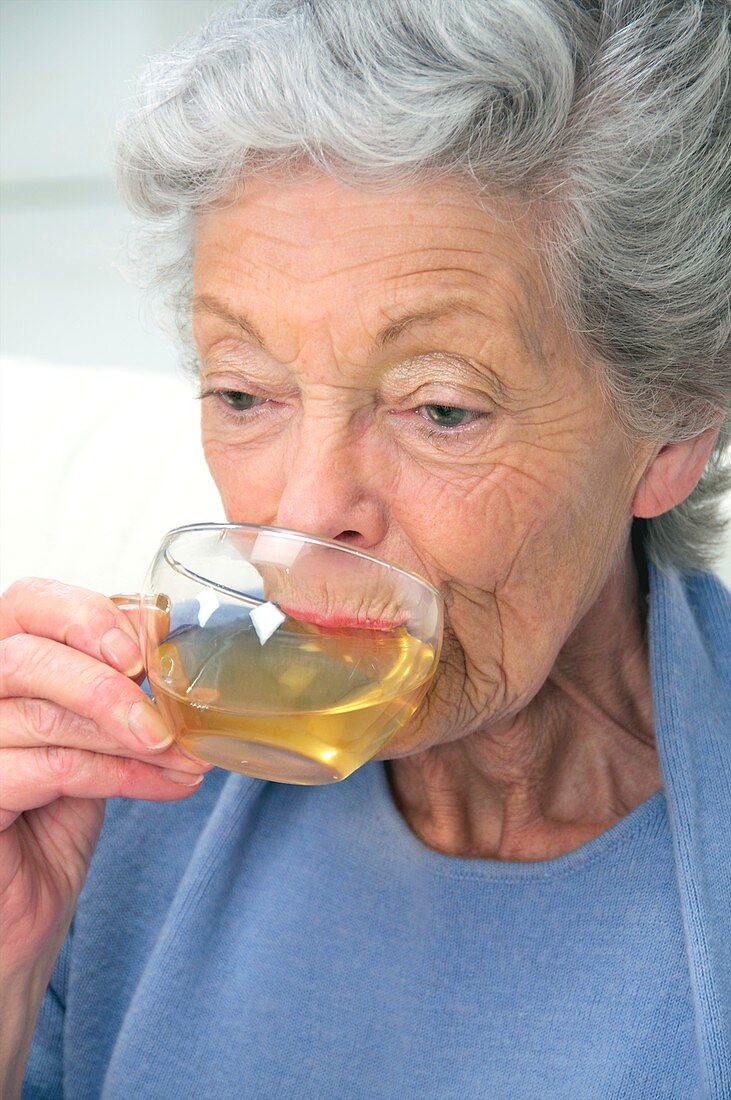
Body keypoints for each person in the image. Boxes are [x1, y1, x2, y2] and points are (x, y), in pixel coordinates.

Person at [2, 1, 729, 1096]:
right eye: (244, 392)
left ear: (671, 424)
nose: (298, 516)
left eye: (438, 409)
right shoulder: (114, 796)